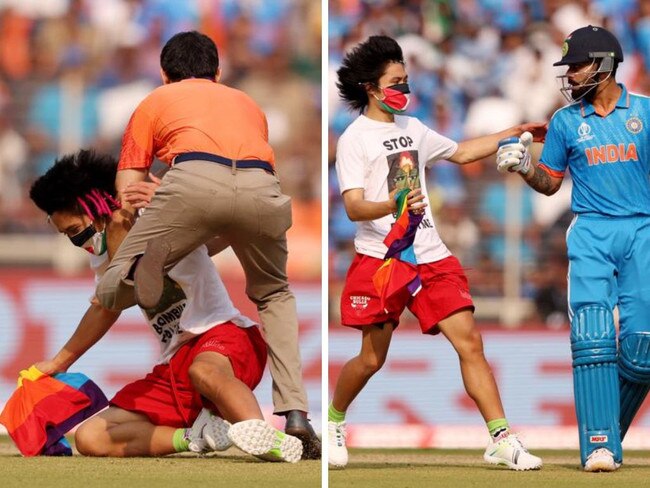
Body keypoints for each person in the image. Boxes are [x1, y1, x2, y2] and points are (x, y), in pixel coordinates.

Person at [91, 31, 319, 458]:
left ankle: (149, 267)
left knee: (110, 288)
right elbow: (233, 200)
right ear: (217, 72)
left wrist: (142, 219)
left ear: (164, 75)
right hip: (263, 190)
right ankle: (296, 415)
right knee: (274, 294)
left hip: (190, 184)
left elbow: (127, 191)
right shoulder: (247, 103)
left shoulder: (154, 101)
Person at [328, 35, 544, 471]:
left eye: (406, 80)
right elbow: (352, 207)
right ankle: (333, 420)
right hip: (383, 258)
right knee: (372, 359)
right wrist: (396, 205)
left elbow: (462, 152)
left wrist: (518, 132)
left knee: (471, 342)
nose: (405, 89)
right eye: (396, 81)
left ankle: (500, 438)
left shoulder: (414, 128)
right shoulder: (354, 139)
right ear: (371, 87)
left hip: (431, 255)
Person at [28, 150, 302, 462]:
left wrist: (181, 202)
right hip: (175, 363)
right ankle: (197, 437)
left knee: (204, 371)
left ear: (98, 207)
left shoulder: (158, 216)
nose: (78, 243)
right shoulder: (102, 256)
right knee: (91, 438)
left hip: (223, 336)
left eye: (75, 231)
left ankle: (265, 438)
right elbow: (106, 307)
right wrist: (59, 363)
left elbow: (226, 220)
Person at [496, 25, 650, 472]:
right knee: (593, 336)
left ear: (604, 65)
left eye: (578, 65)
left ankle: (604, 432)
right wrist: (526, 167)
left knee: (643, 350)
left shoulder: (643, 112)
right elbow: (550, 185)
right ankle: (599, 445)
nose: (571, 74)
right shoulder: (566, 122)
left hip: (642, 231)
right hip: (591, 232)